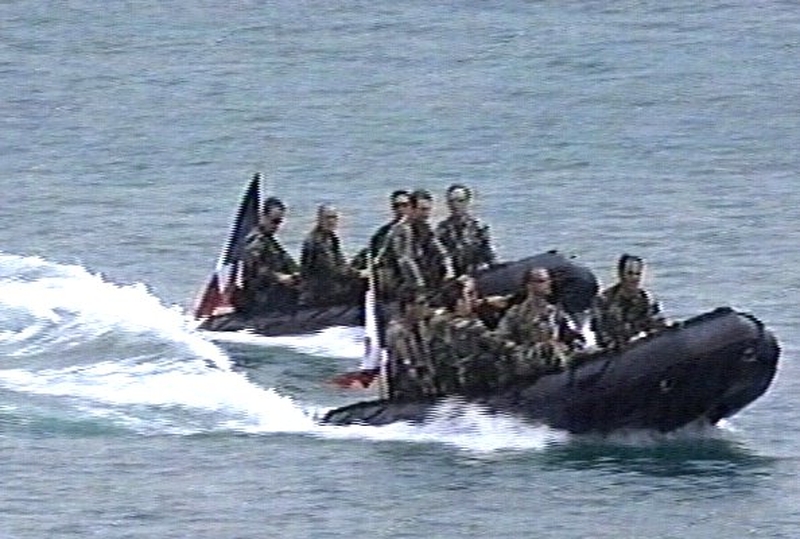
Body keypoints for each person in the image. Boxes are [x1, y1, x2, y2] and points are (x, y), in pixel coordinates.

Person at [494, 267, 583, 375]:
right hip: (531, 363)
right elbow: (501, 340)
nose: (548, 284)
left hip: (559, 361)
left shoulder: (555, 311)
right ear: (529, 285)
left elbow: (572, 336)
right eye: (541, 281)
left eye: (548, 280)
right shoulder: (515, 314)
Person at [591, 254, 667, 349]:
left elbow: (658, 326)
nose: (634, 278)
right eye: (630, 273)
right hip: (614, 353)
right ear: (620, 274)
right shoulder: (604, 300)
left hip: (640, 348)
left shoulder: (647, 299)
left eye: (638, 274)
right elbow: (602, 335)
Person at [239, 197, 300, 313]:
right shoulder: (255, 241)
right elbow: (257, 269)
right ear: (263, 217)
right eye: (274, 221)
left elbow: (287, 262)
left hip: (273, 290)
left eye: (279, 222)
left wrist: (297, 274)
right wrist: (280, 277)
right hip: (261, 294)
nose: (277, 226)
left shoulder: (270, 241)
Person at [299, 204, 367, 307]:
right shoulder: (317, 242)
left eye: (334, 217)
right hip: (324, 292)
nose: (331, 221)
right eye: (328, 217)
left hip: (332, 283)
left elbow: (340, 263)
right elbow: (333, 270)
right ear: (319, 219)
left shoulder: (331, 237)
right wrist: (359, 274)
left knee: (365, 254)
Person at [384, 289, 438, 401]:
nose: (425, 307)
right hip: (409, 387)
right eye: (421, 303)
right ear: (409, 307)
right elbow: (406, 361)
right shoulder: (398, 330)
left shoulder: (418, 327)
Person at [435, 184, 495, 277]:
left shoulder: (479, 227)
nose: (455, 205)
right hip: (453, 278)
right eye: (451, 201)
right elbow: (439, 256)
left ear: (467, 202)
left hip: (476, 276)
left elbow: (488, 253)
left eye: (460, 200)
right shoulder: (442, 229)